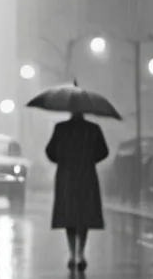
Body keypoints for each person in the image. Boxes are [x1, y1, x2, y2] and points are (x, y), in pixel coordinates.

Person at [45, 111, 109, 270]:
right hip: (86, 174)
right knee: (84, 215)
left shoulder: (61, 128)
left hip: (66, 175)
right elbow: (104, 152)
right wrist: (89, 159)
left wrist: (62, 159)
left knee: (69, 215)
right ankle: (81, 253)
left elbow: (50, 151)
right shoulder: (93, 129)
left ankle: (72, 253)